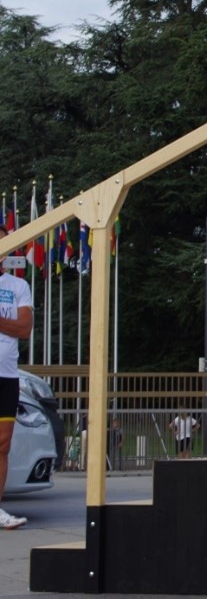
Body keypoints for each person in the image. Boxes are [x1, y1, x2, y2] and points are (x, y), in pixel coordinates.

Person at [0, 225, 34, 529]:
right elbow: (15, 325)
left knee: (2, 444)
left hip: (6, 375)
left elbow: (24, 329)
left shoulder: (18, 286)